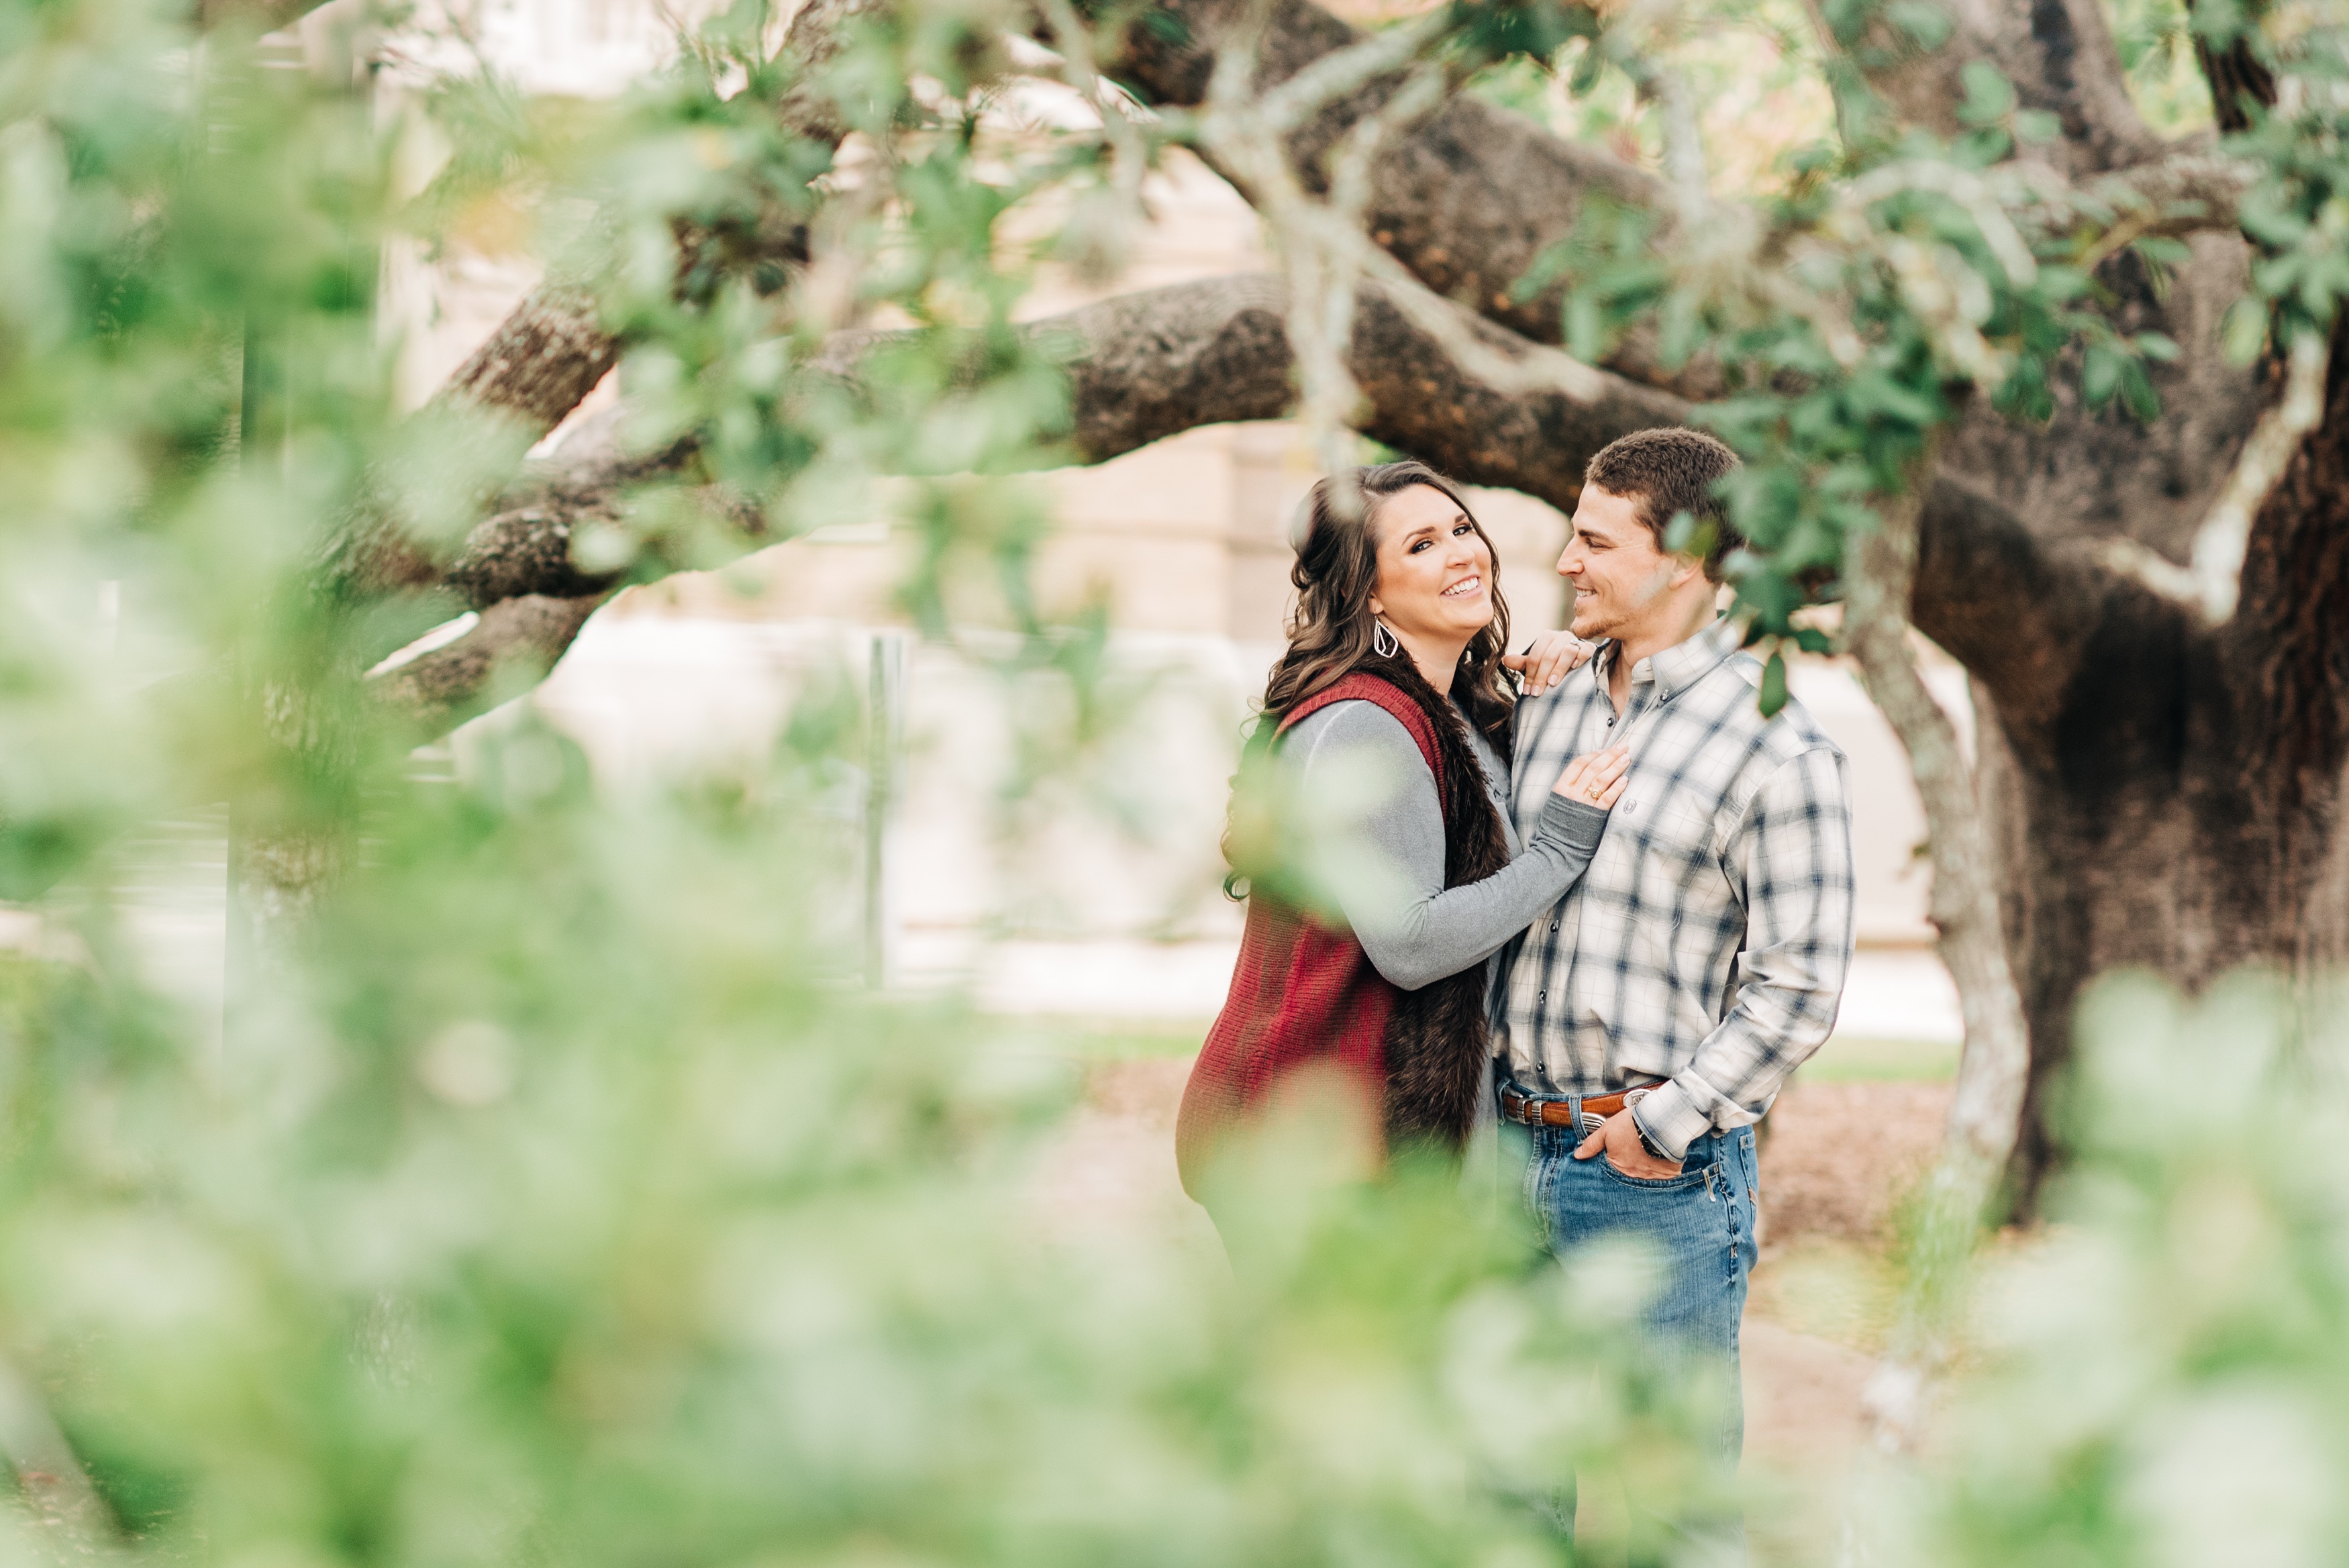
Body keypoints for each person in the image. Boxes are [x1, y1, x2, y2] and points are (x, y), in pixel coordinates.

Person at [1499, 428, 1856, 1545]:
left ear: (1688, 556)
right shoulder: (1546, 701)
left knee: (1675, 1514)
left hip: (1652, 1177)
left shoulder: (1775, 742)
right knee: (1501, 1497)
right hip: (1502, 1152)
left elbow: (1799, 983)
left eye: (1596, 540)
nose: (1565, 560)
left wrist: (1667, 1121)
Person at [1174, 461, 1630, 1204]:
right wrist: (1558, 849)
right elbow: (1410, 944)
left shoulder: (1454, 714)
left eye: (1459, 528)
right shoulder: (1361, 724)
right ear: (1371, 593)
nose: (1460, 552)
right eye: (1419, 545)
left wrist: (1567, 682)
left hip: (1366, 1132)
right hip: (1297, 1138)